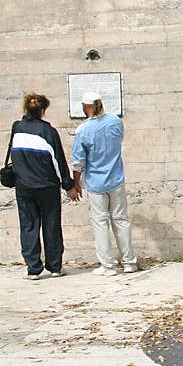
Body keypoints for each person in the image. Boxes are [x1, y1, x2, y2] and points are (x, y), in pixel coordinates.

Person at [9, 93, 80, 279]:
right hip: (47, 186)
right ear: (42, 110)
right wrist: (68, 185)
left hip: (23, 186)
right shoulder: (48, 132)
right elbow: (58, 162)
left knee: (28, 226)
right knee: (51, 225)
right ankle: (55, 267)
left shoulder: (17, 128)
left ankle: (33, 269)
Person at [70, 91, 138, 276]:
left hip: (96, 183)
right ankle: (129, 261)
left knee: (100, 222)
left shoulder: (83, 130)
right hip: (116, 178)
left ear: (86, 107)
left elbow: (78, 162)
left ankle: (108, 265)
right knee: (121, 220)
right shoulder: (116, 121)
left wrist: (76, 183)